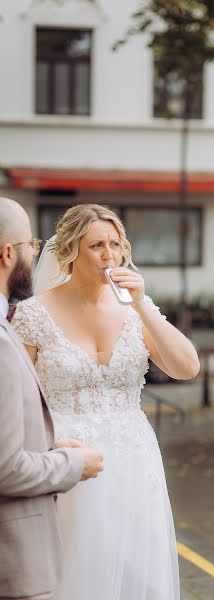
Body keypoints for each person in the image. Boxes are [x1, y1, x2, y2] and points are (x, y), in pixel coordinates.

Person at [12, 203, 200, 600]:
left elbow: (186, 367)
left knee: (136, 570)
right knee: (74, 572)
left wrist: (143, 304)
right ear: (69, 251)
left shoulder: (135, 311)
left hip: (134, 458)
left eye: (116, 244)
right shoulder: (32, 315)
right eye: (97, 245)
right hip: (67, 459)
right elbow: (14, 399)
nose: (110, 255)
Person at [0, 197, 104, 600]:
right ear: (9, 254)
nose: (34, 252)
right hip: (14, 562)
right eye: (30, 244)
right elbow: (6, 468)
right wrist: (70, 461)